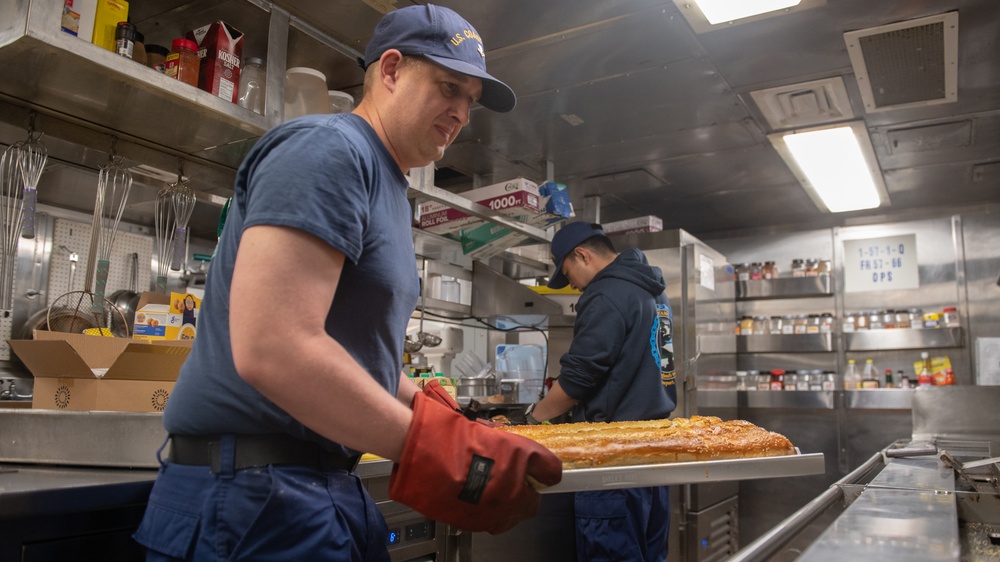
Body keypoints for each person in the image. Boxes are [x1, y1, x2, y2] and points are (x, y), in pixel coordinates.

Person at [132, 5, 561, 561]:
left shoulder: (386, 183)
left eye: (470, 102)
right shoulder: (329, 150)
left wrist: (435, 411)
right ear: (389, 70)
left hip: (314, 487)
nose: (460, 112)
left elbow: (355, 355)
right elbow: (274, 346)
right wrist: (440, 449)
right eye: (448, 87)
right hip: (250, 497)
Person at [525, 221, 677, 562]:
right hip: (656, 451)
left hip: (612, 456)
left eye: (569, 274)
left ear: (582, 255)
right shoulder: (652, 290)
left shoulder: (606, 293)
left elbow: (580, 377)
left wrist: (532, 420)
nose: (574, 286)